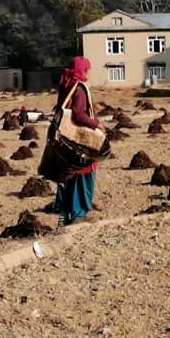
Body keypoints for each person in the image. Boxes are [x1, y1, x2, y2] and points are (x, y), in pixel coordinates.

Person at [54, 56, 103, 225]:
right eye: (88, 69)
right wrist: (97, 125)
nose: (89, 72)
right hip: (78, 140)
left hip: (64, 140)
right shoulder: (79, 89)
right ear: (82, 72)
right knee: (84, 174)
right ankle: (78, 214)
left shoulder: (65, 86)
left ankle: (64, 212)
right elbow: (79, 115)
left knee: (68, 175)